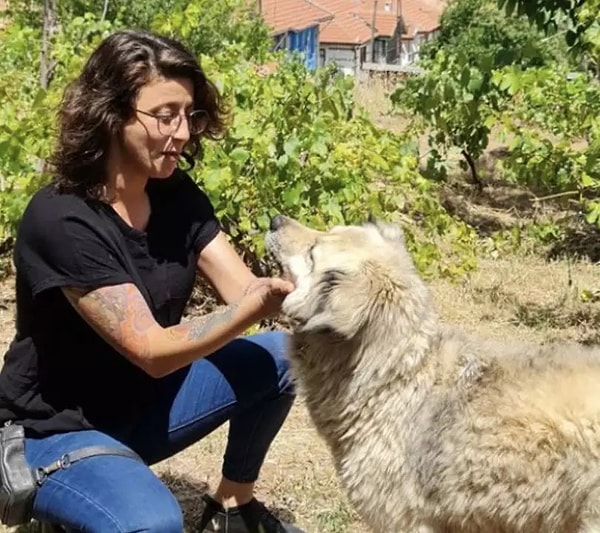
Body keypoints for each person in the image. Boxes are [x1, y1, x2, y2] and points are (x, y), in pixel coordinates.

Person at [0, 28, 306, 533]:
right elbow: (153, 350)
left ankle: (232, 509)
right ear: (112, 113)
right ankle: (73, 496)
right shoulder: (62, 219)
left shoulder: (173, 193)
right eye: (166, 116)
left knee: (281, 357)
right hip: (57, 429)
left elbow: (241, 287)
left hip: (142, 405)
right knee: (153, 523)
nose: (183, 133)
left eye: (190, 115)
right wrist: (257, 304)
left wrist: (315, 289)